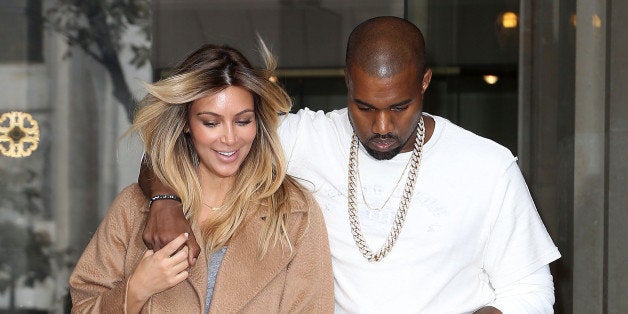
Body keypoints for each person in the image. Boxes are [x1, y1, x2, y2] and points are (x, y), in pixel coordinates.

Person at [141, 16, 561, 313]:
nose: (382, 125)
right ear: (347, 81)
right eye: (364, 106)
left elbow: (531, 288)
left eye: (400, 106)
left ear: (425, 83)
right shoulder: (304, 138)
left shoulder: (487, 166)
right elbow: (179, 144)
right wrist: (164, 199)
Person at [69, 43, 334, 313]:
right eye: (211, 122)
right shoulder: (132, 209)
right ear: (186, 122)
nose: (230, 138)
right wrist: (137, 289)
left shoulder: (293, 212)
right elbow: (83, 307)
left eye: (243, 121)